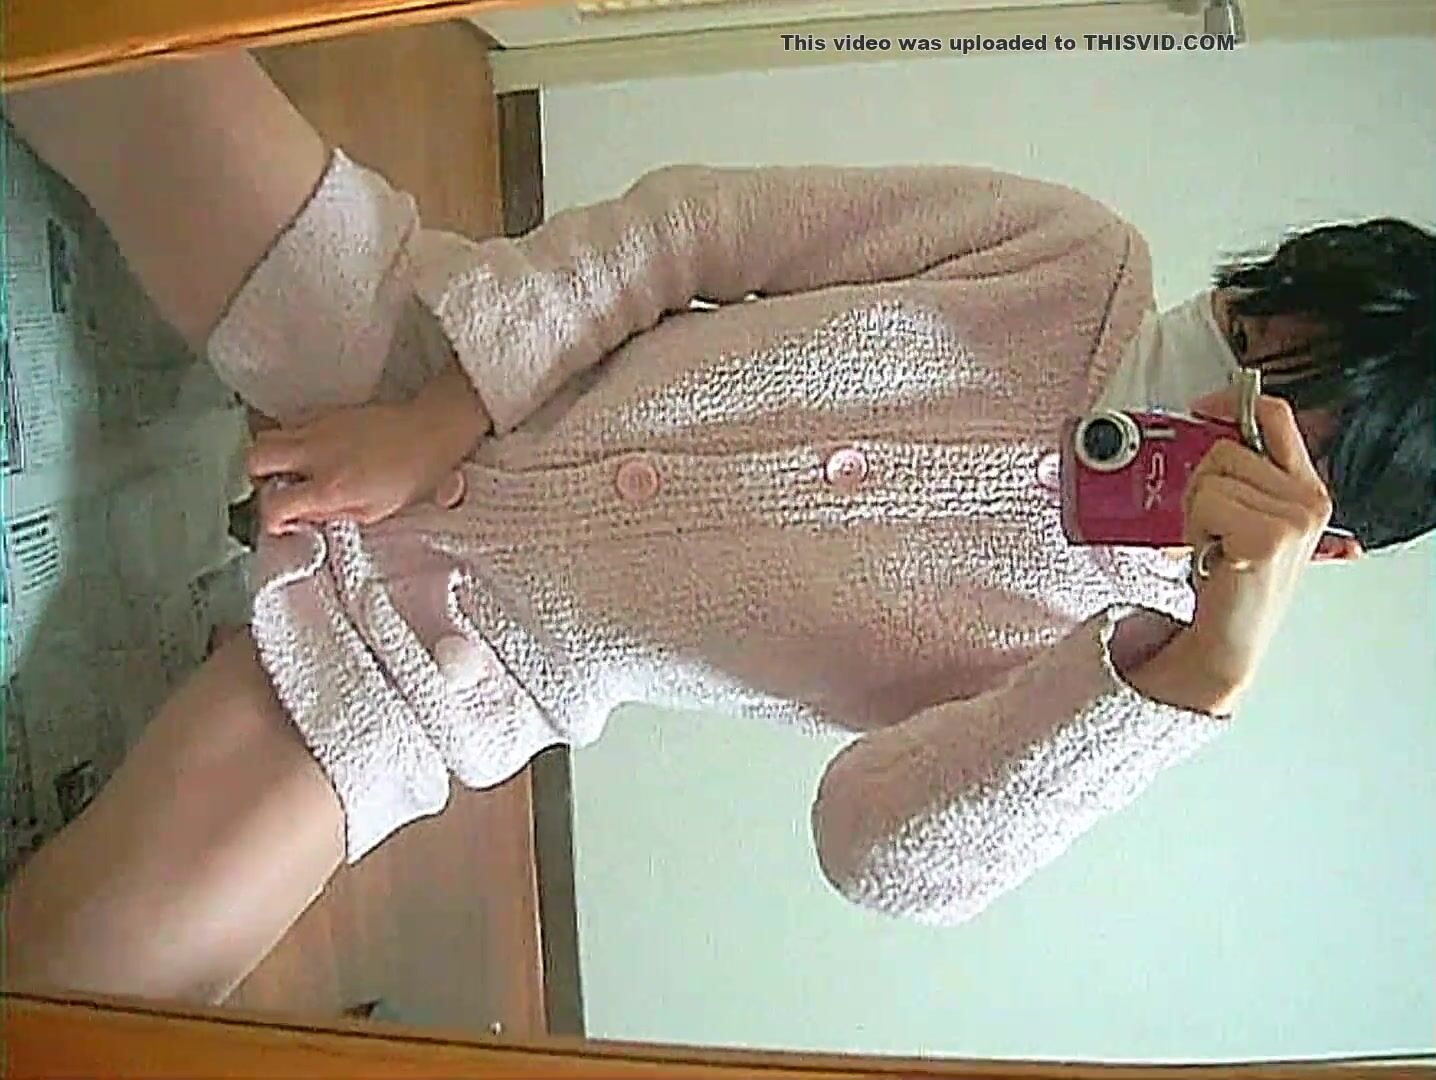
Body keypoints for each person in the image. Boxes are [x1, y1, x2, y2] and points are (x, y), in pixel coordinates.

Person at [2, 49, 1431, 1006]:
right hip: (420, 350)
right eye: (1239, 328)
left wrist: (1187, 683)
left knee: (69, 1007)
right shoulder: (1071, 256)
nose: (1199, 385)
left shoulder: (1125, 662)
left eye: (1259, 417)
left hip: (435, 671)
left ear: (1323, 537)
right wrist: (438, 414)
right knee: (120, 46)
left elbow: (874, 849)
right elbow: (699, 230)